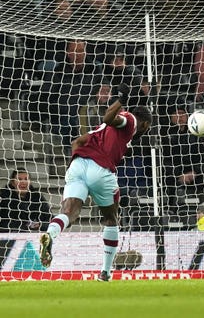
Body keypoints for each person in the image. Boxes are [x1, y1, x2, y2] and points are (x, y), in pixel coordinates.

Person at [39, 83, 153, 281]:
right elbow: (108, 118)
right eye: (148, 128)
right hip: (100, 169)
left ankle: (50, 234)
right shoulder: (131, 120)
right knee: (111, 218)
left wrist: (76, 166)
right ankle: (106, 273)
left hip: (77, 165)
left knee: (69, 213)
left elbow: (77, 142)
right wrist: (122, 99)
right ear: (146, 124)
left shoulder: (99, 131)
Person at [0, 168, 52, 232]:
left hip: (32, 237)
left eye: (26, 179)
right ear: (12, 183)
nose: (23, 182)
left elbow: (50, 219)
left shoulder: (37, 197)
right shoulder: (3, 197)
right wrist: (23, 226)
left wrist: (40, 225)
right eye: (19, 179)